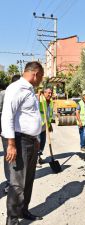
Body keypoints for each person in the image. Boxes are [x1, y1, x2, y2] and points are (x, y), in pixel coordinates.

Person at [2, 61, 44, 225]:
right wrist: (11, 144)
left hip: (31, 141)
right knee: (17, 182)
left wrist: (37, 139)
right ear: (35, 74)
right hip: (19, 141)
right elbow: (7, 116)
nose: (41, 80)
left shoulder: (29, 90)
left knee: (28, 180)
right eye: (41, 77)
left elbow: (30, 116)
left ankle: (23, 210)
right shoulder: (17, 88)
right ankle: (12, 219)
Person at [0, 75, 21, 194]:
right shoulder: (4, 94)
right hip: (7, 131)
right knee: (9, 156)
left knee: (16, 157)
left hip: (19, 131)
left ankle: (15, 181)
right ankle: (9, 182)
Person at [38, 87, 54, 164]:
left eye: (51, 93)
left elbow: (49, 114)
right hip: (38, 126)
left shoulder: (50, 102)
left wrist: (50, 124)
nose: (50, 95)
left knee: (42, 143)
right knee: (37, 143)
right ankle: (35, 160)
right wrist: (38, 95)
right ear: (44, 93)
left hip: (45, 126)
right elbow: (35, 104)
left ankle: (39, 157)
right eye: (48, 93)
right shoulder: (40, 100)